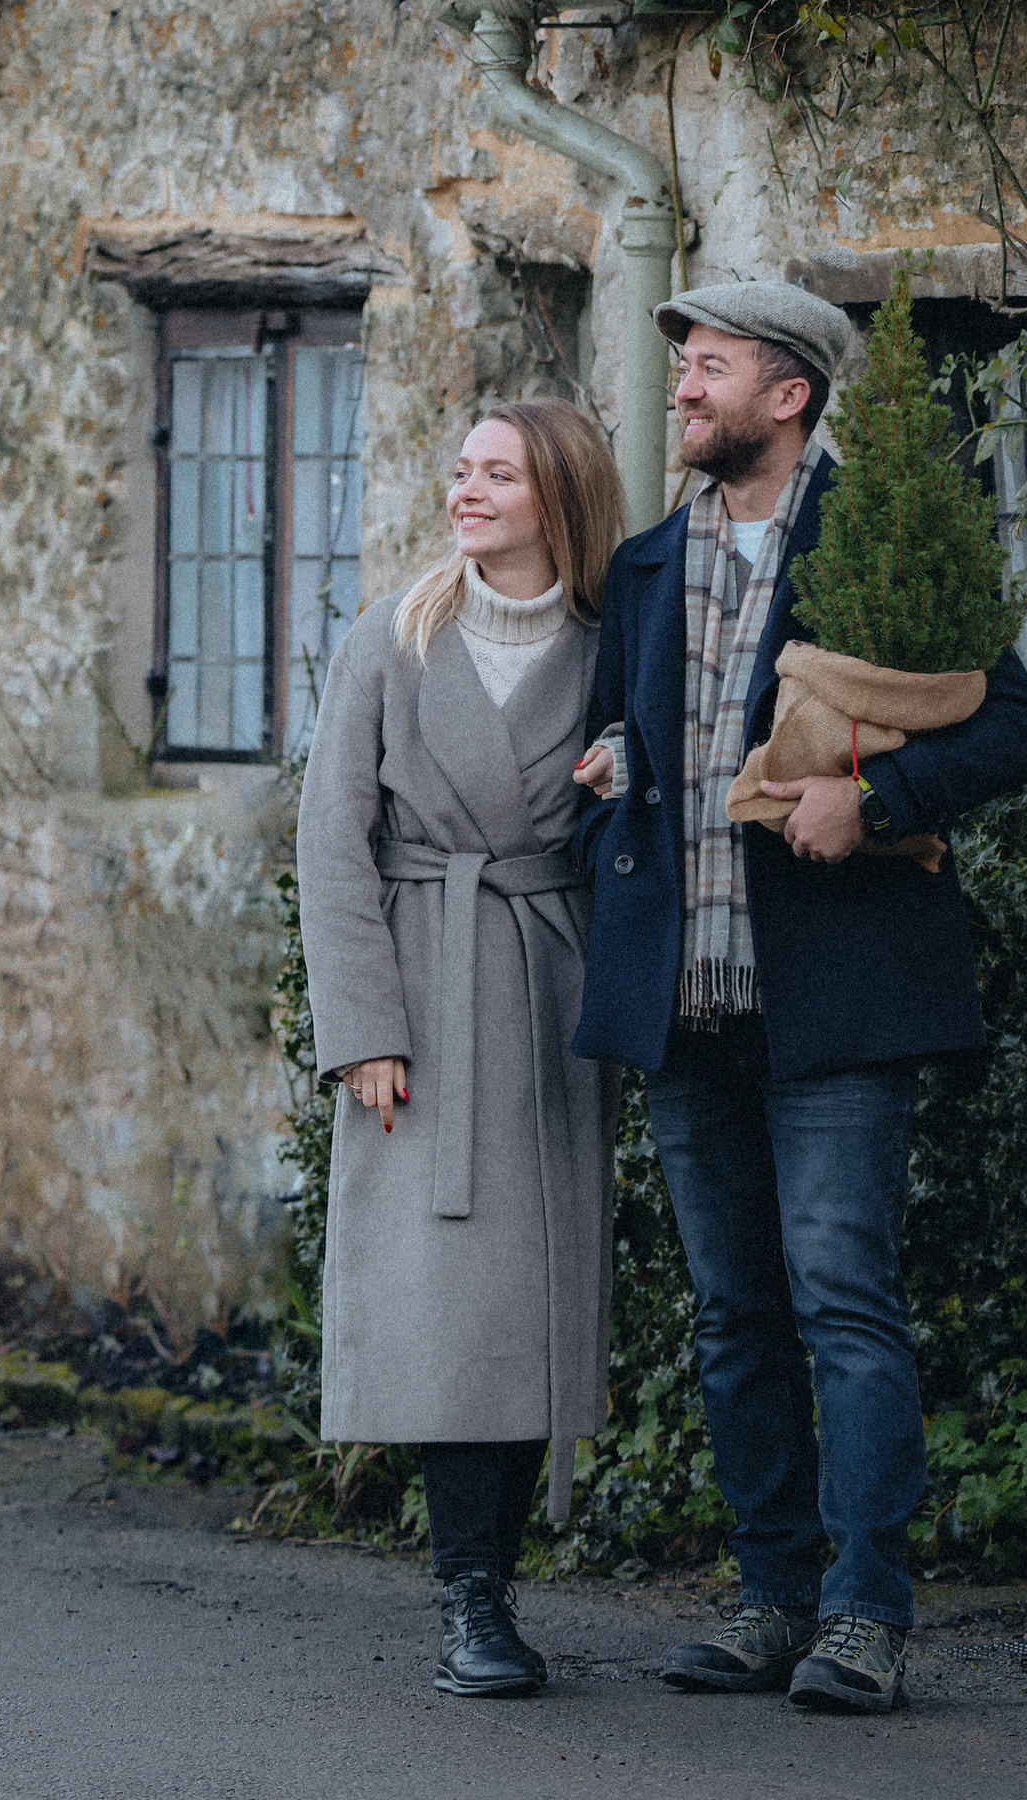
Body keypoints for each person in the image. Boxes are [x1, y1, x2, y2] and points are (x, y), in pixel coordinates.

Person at [571, 279, 1027, 1717]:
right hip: (686, 999)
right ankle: (771, 1599)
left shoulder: (875, 540)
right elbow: (620, 727)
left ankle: (866, 1616)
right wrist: (614, 773)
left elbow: (1016, 726)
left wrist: (875, 793)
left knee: (846, 1301)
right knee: (732, 1318)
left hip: (838, 998)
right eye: (685, 372)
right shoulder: (651, 565)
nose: (684, 394)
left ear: (789, 394)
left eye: (708, 370)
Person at [294, 396, 626, 1700]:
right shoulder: (395, 634)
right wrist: (364, 1031)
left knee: (525, 1303)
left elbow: (651, 791)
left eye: (497, 474)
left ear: (559, 495)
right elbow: (332, 841)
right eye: (461, 471)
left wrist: (628, 767)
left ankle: (500, 1580)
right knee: (445, 1304)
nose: (466, 492)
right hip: (425, 992)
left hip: (553, 993)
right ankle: (470, 1600)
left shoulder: (608, 649)